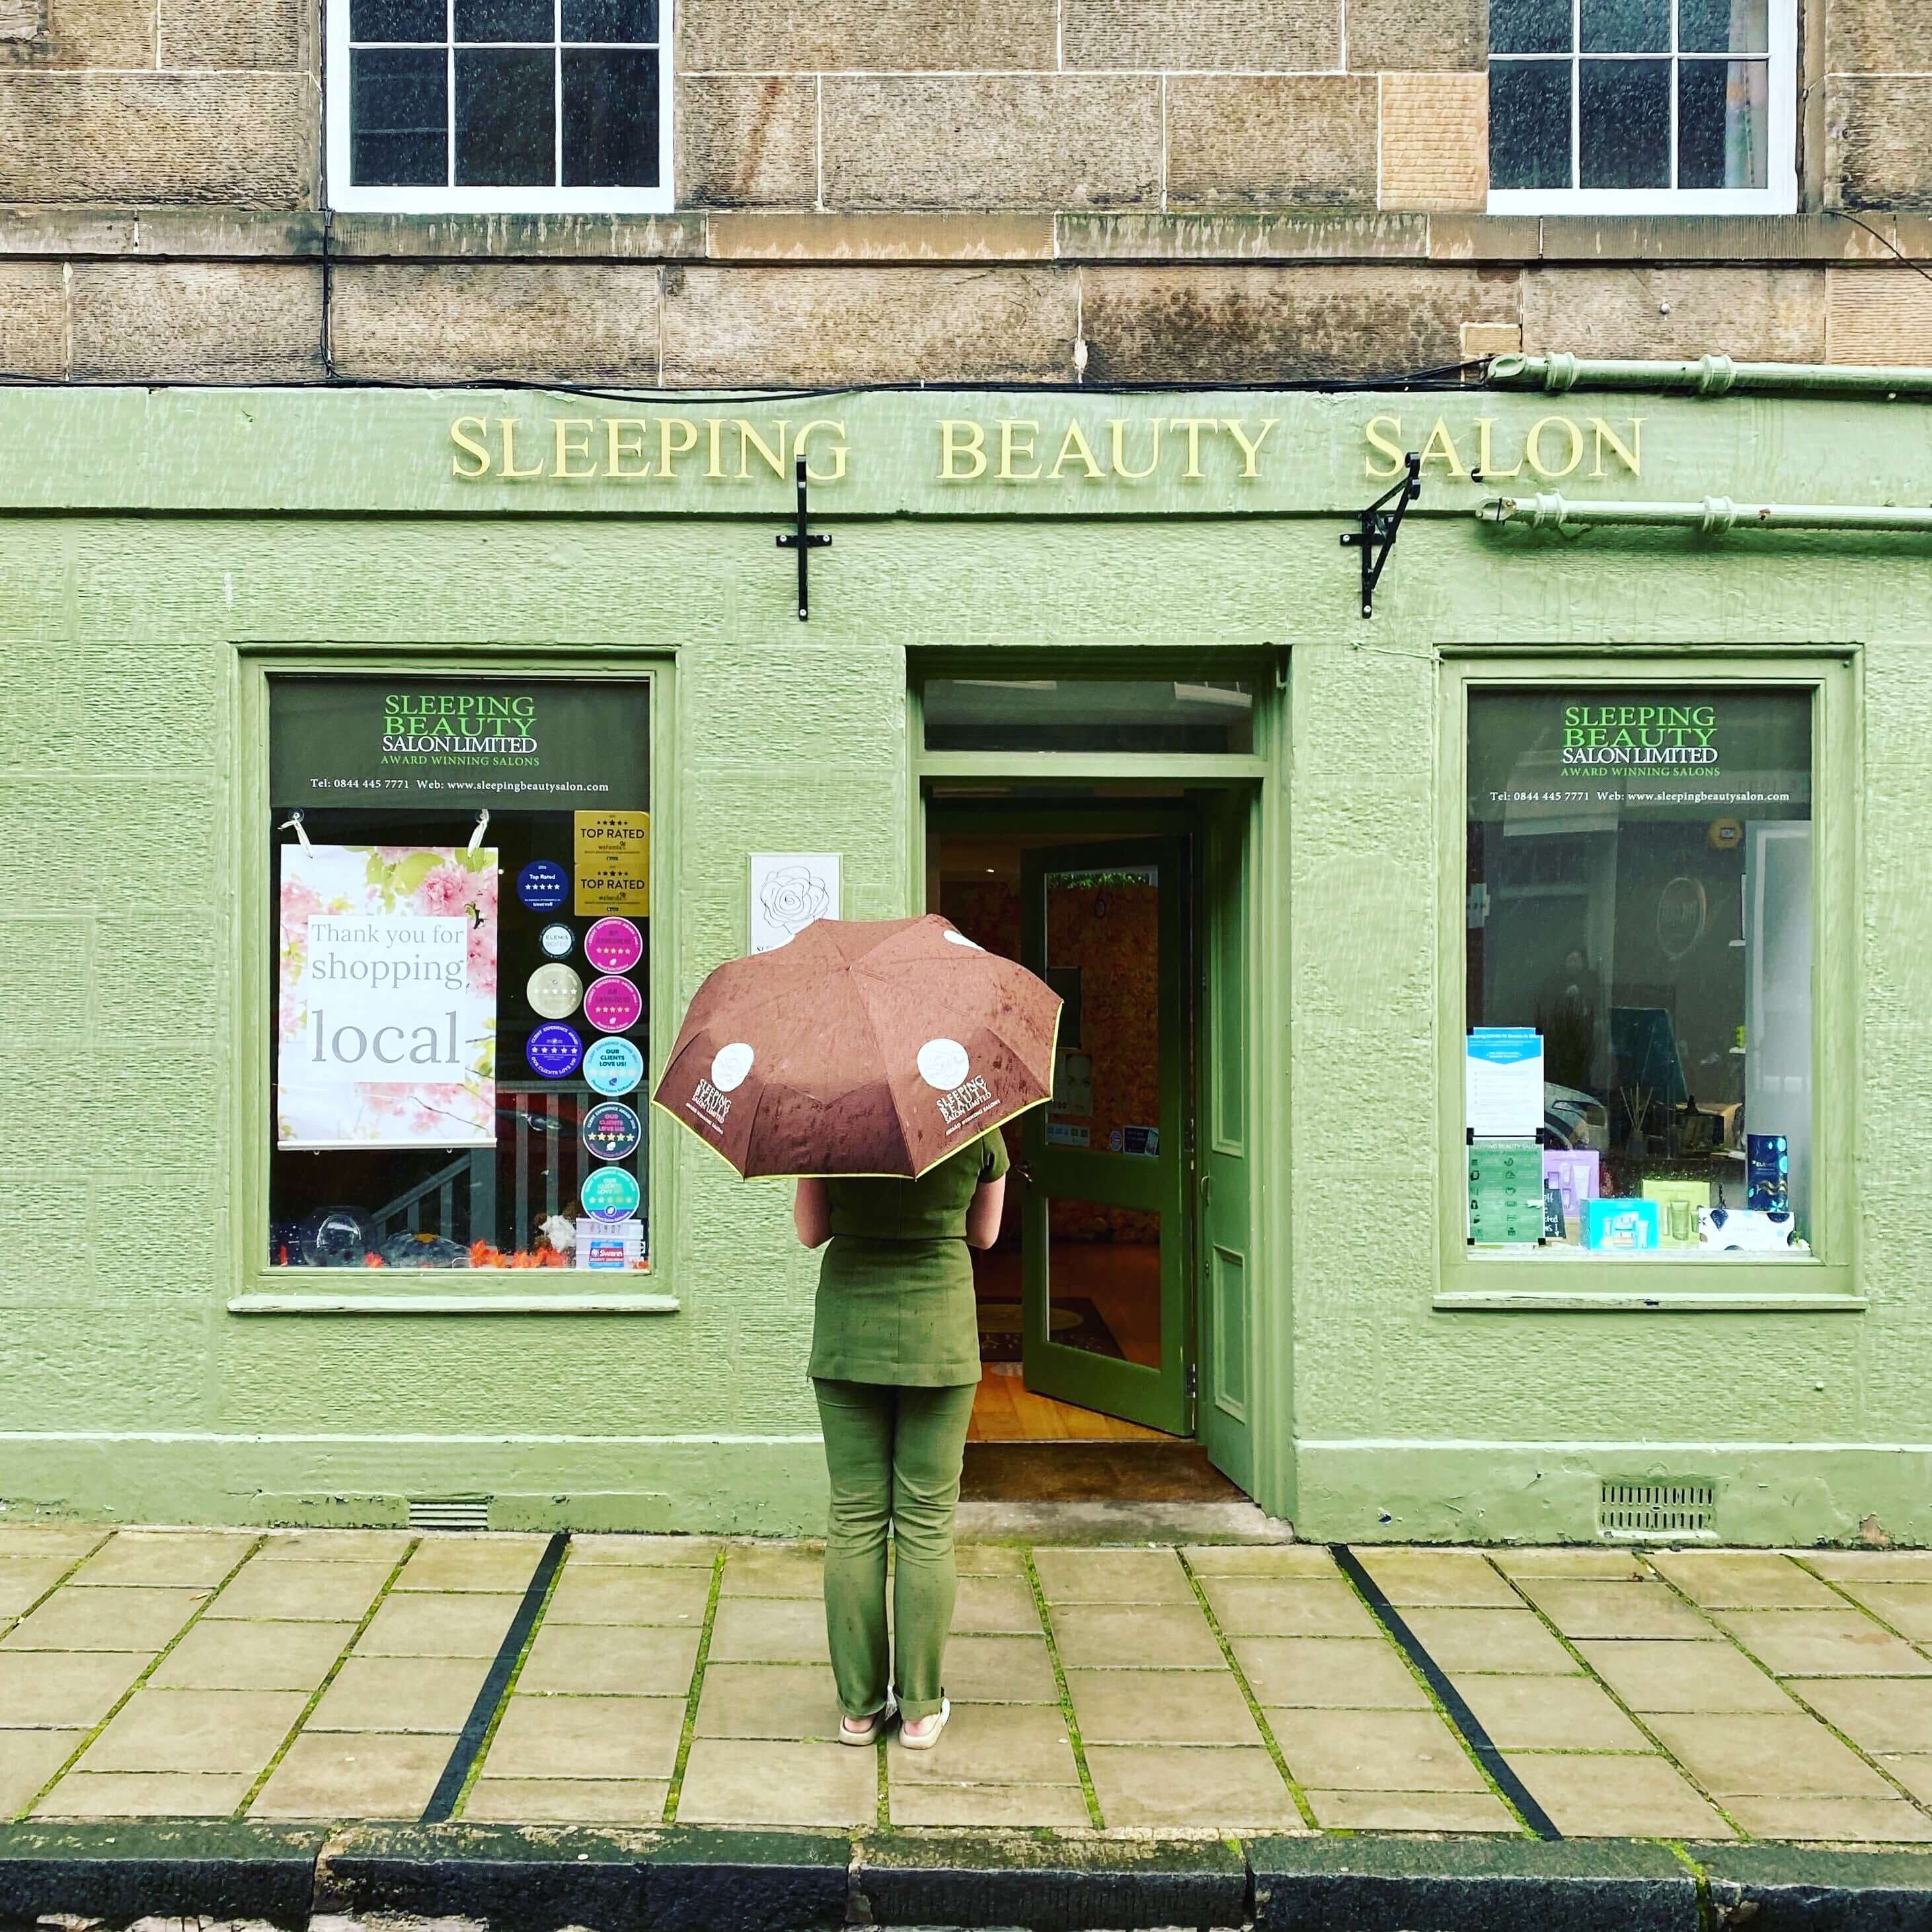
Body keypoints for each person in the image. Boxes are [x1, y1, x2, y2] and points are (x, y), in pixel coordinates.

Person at [792, 1130, 1009, 1751]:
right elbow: (985, 1235)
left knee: (856, 1516)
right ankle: (918, 1711)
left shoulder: (828, 1121)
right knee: (924, 1520)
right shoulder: (973, 1118)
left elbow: (810, 1233)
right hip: (938, 1336)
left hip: (846, 1333)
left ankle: (859, 1711)